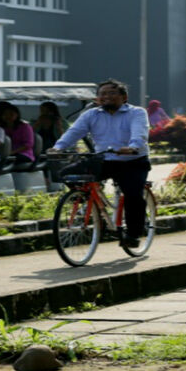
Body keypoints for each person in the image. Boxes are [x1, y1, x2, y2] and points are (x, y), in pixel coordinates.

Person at [47, 79, 150, 248]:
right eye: (102, 94)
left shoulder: (137, 113)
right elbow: (74, 132)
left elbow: (140, 133)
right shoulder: (91, 114)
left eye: (111, 93)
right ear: (97, 99)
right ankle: (89, 203)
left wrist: (132, 147)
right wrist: (58, 148)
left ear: (124, 97)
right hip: (104, 159)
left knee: (133, 196)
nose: (106, 97)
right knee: (66, 173)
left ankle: (133, 234)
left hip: (132, 161)